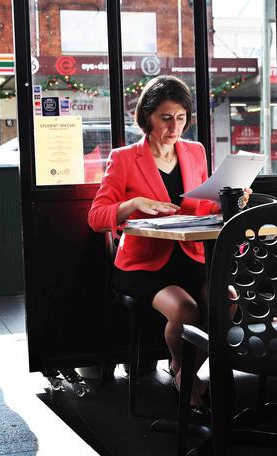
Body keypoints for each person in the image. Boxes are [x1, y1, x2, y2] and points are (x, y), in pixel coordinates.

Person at [87, 76, 251, 414]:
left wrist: (231, 199)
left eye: (181, 118)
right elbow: (96, 215)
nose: (175, 126)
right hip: (143, 264)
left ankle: (181, 371)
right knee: (185, 310)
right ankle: (187, 378)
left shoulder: (195, 151)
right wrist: (132, 205)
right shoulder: (123, 158)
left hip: (191, 255)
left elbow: (202, 207)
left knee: (229, 302)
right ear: (147, 116)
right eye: (166, 118)